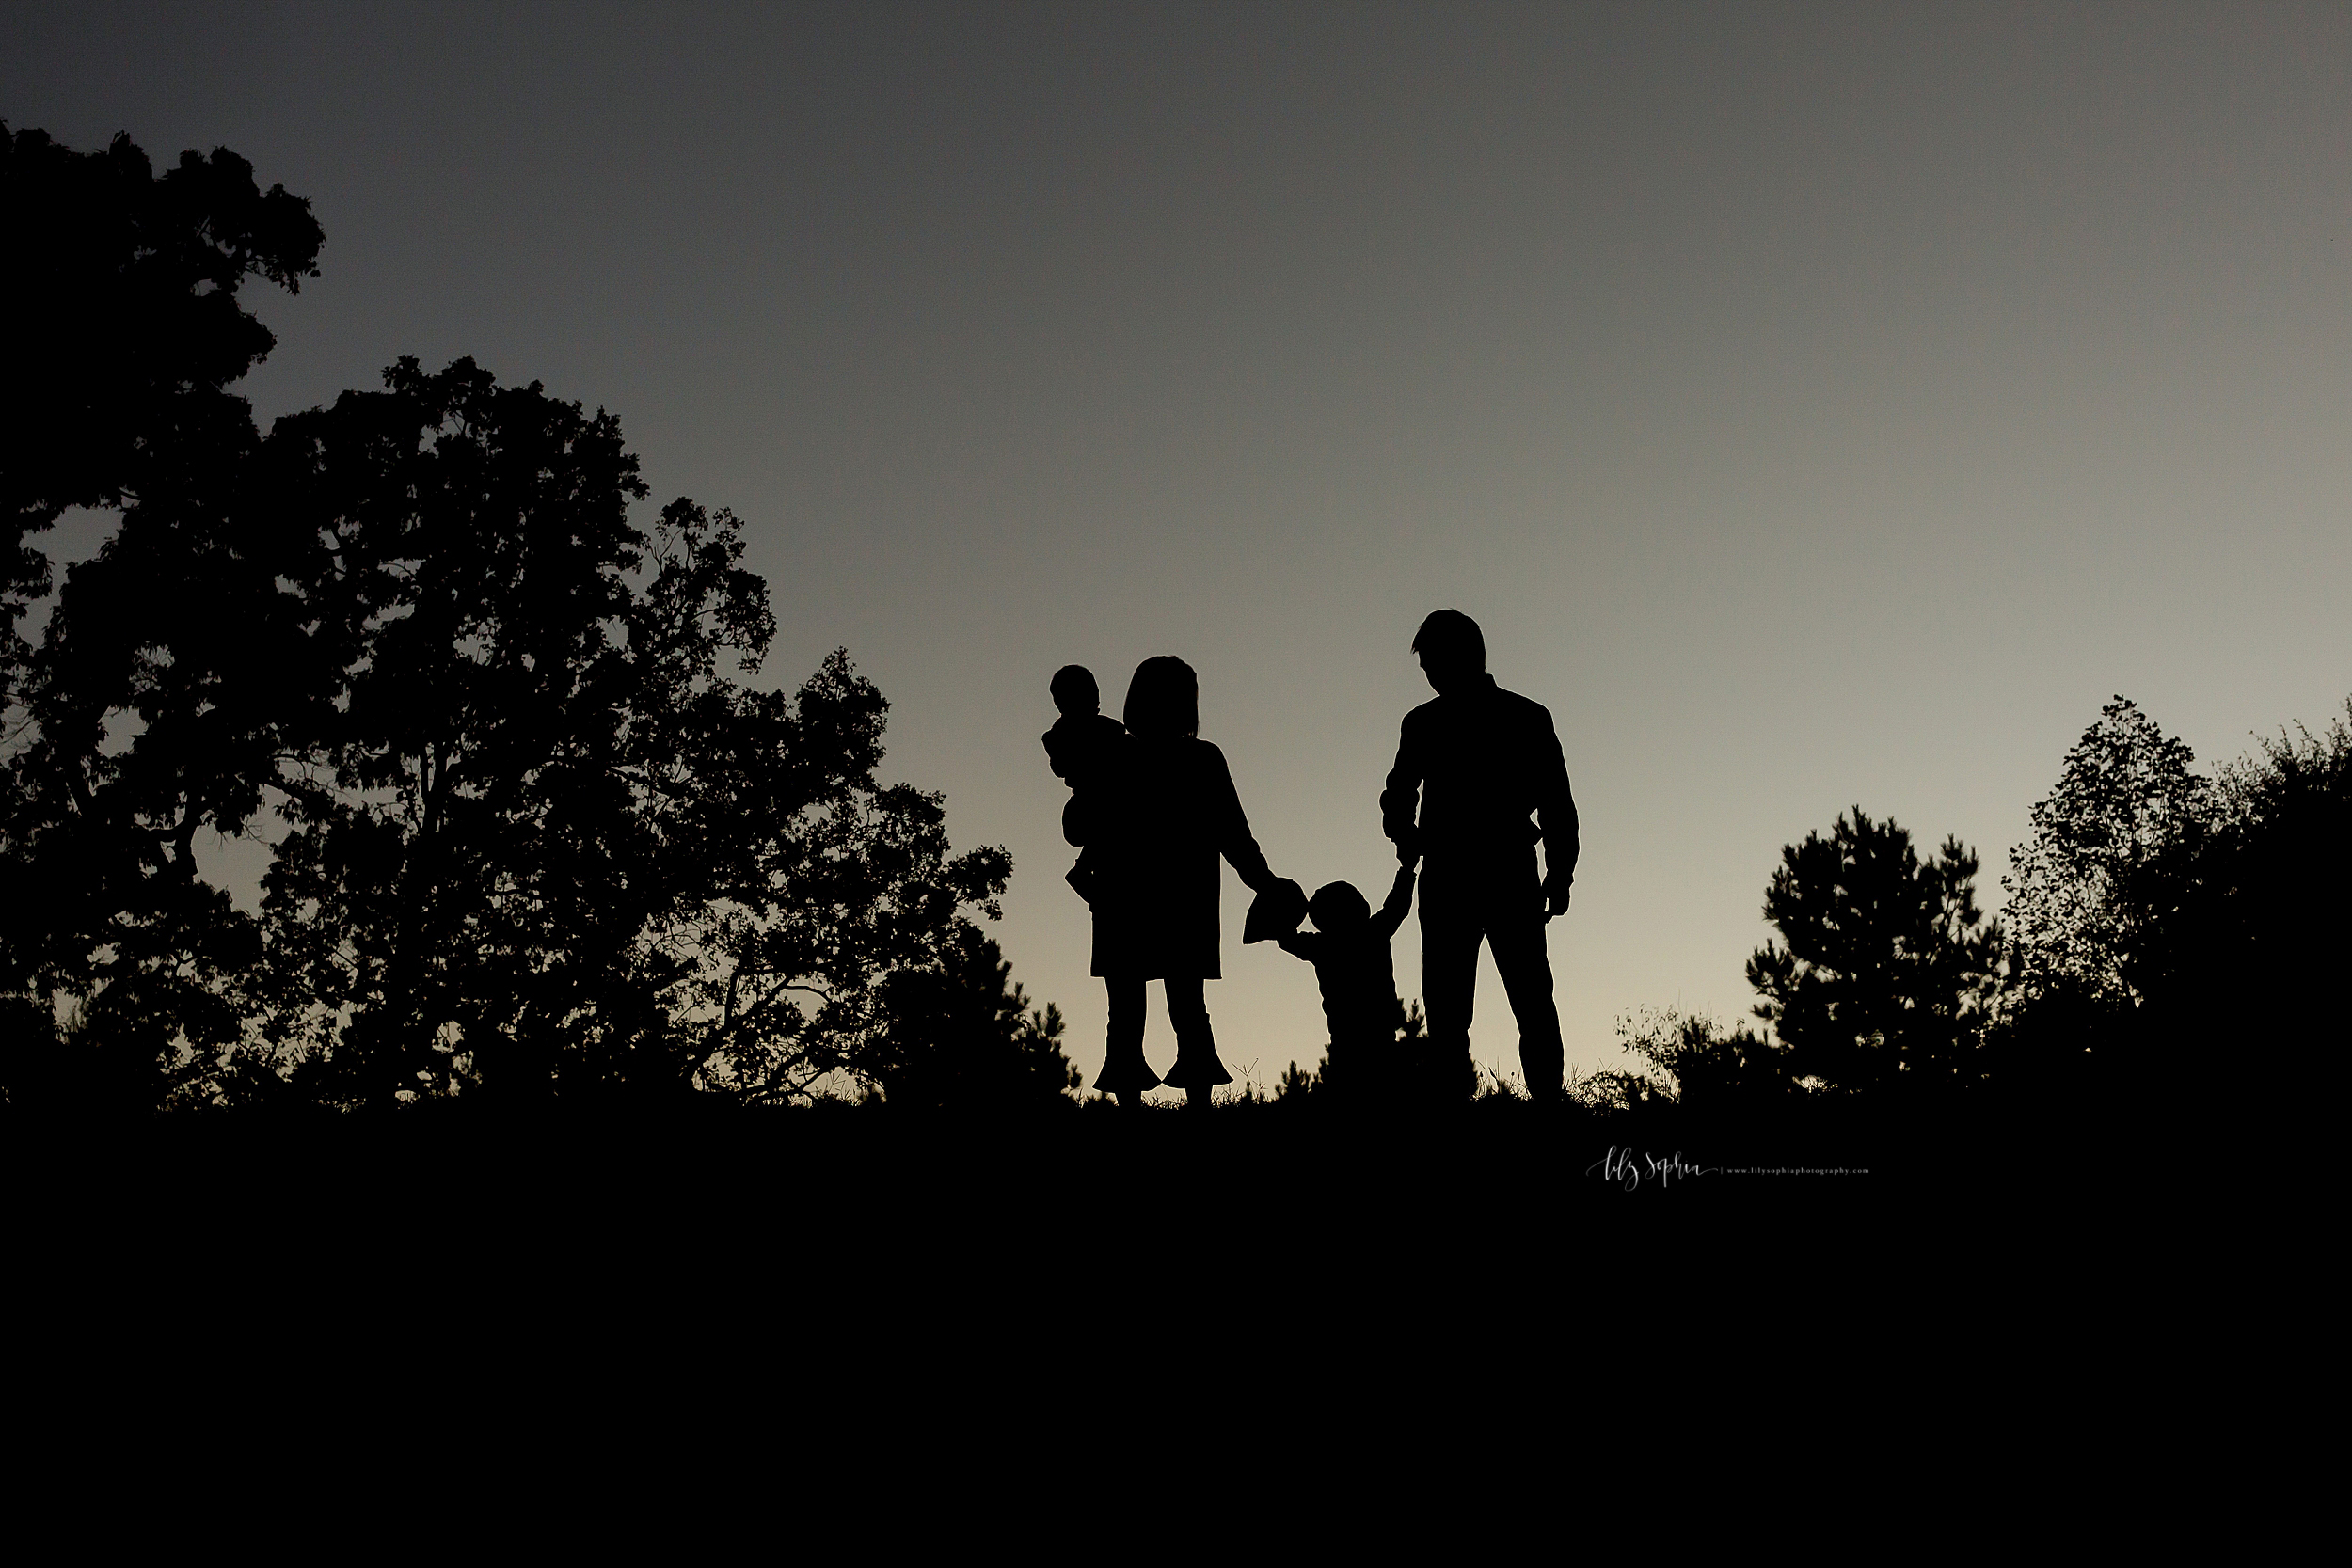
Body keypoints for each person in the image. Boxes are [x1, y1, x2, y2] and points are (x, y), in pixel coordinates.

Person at [1380, 610, 1578, 1101]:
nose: (1427, 674)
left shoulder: (1436, 721)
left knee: (1506, 1005)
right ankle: (1534, 1110)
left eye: (1430, 664)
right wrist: (1403, 828)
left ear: (1457, 658)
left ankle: (1535, 1108)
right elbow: (1399, 792)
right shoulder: (1520, 716)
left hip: (1477, 874)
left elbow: (1556, 802)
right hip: (1482, 873)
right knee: (1491, 1007)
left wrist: (1560, 874)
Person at [1079, 656, 1285, 1108]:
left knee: (1131, 1008)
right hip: (1178, 899)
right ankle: (1198, 1106)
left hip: (1125, 897)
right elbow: (1234, 833)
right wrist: (1263, 881)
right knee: (1185, 1005)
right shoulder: (1199, 759)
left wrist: (1263, 881)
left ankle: (1138, 1104)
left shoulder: (1117, 757)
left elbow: (1083, 827)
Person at [1272, 865, 1418, 1101]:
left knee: (1347, 1097)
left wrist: (1281, 909)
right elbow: (1398, 906)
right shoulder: (1374, 933)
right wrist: (1407, 871)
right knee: (1387, 1095)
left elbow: (1286, 939)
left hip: (1344, 1040)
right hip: (1380, 1036)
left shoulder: (1322, 946)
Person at [1041, 664, 1128, 904]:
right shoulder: (1088, 731)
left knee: (1108, 825)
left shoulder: (1071, 733)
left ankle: (1085, 872)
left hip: (1090, 805)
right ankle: (1082, 870)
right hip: (1088, 807)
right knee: (1109, 821)